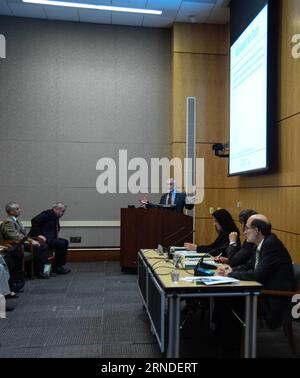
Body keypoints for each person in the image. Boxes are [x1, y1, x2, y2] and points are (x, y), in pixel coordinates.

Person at [217, 214, 295, 329]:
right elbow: (250, 266)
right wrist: (231, 269)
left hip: (273, 297)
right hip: (262, 289)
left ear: (257, 230)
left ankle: (234, 342)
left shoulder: (271, 244)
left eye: (247, 228)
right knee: (226, 297)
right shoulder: (261, 243)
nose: (244, 232)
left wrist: (231, 274)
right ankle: (228, 339)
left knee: (229, 298)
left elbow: (258, 274)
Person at [0, 202, 50, 279]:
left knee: (43, 246)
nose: (20, 210)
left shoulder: (16, 220)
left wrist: (31, 240)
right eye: (17, 209)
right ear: (11, 211)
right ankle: (37, 272)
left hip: (22, 242)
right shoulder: (8, 222)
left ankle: (42, 270)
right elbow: (15, 236)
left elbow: (24, 235)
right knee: (37, 247)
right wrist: (30, 241)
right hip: (15, 245)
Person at [29, 203, 71, 275]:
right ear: (56, 209)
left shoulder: (54, 216)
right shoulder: (47, 214)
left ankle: (58, 266)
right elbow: (34, 220)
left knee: (64, 242)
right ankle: (57, 267)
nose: (63, 213)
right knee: (62, 243)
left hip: (49, 238)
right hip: (42, 239)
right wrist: (38, 235)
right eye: (62, 211)